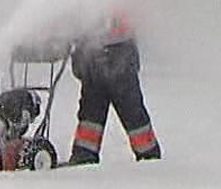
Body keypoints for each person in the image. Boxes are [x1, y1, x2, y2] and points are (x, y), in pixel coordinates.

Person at [68, 12, 161, 164]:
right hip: (95, 58)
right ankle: (84, 155)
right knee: (92, 114)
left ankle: (148, 155)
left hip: (118, 57)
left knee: (131, 112)